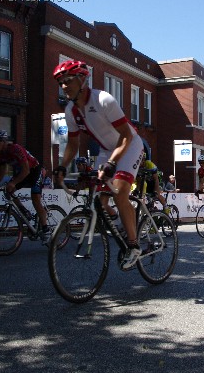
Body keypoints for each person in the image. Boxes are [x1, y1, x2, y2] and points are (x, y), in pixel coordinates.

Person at [52, 60, 144, 269]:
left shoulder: (104, 100)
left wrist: (112, 163)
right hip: (105, 150)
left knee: (120, 193)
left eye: (68, 80)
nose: (64, 86)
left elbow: (126, 136)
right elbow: (73, 144)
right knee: (99, 200)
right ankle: (121, 223)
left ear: (82, 79)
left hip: (129, 145)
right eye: (60, 82)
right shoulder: (70, 111)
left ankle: (133, 244)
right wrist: (62, 166)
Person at [0, 130, 51, 244]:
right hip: (23, 173)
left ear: (3, 141)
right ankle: (24, 211)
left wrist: (13, 182)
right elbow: (1, 172)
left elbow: (26, 170)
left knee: (35, 199)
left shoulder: (15, 149)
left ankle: (46, 229)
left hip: (35, 171)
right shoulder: (1, 155)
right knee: (8, 190)